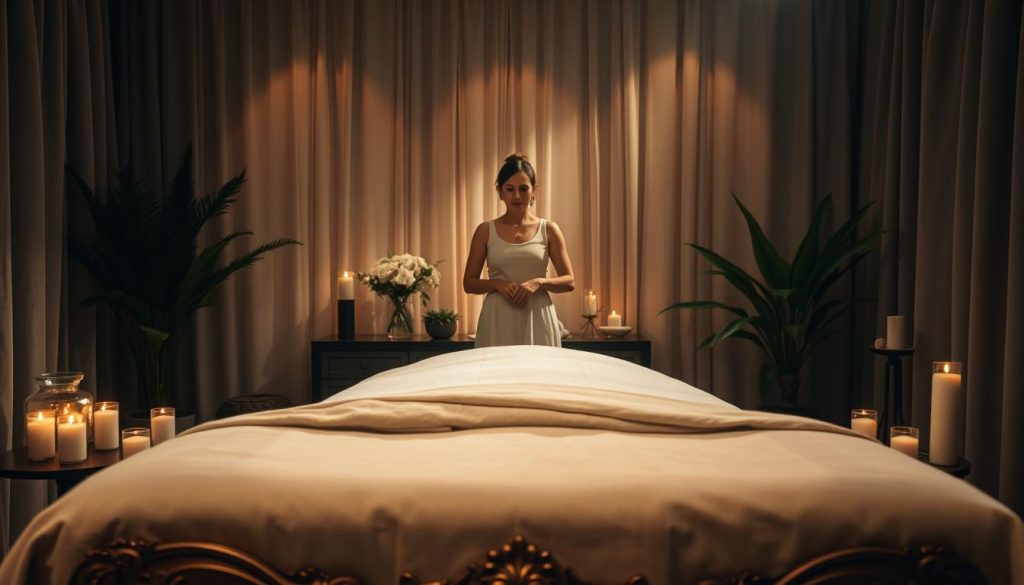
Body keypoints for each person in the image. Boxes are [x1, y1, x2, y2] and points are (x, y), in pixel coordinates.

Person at [463, 153, 576, 347]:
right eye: (510, 189)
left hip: (538, 317)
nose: (517, 195)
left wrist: (539, 282)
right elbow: (469, 283)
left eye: (523, 189)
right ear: (500, 192)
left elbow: (569, 281)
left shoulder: (549, 229)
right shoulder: (484, 231)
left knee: (539, 376)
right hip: (497, 318)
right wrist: (497, 284)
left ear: (534, 191)